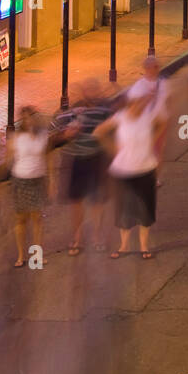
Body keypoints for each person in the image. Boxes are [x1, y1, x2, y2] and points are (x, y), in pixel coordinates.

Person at [95, 90, 167, 259]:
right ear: (130, 104)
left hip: (146, 168)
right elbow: (99, 132)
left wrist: (153, 139)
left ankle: (144, 246)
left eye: (142, 103)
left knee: (145, 209)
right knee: (124, 210)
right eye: (137, 102)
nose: (140, 106)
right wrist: (113, 149)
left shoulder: (149, 116)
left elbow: (163, 122)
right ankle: (124, 246)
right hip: (123, 171)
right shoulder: (120, 118)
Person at [55, 79, 113, 255]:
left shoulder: (103, 111)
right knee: (76, 201)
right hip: (76, 160)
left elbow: (115, 129)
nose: (90, 93)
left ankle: (97, 236)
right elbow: (53, 138)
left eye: (93, 89)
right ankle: (77, 237)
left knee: (97, 200)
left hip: (96, 158)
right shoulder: (65, 115)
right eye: (87, 90)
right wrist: (66, 135)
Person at [6, 106, 52, 268]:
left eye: (31, 117)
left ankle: (37, 256)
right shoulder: (16, 138)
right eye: (25, 118)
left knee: (37, 219)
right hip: (21, 180)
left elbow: (48, 159)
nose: (29, 121)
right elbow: (8, 159)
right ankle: (21, 255)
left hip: (38, 179)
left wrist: (51, 181)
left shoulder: (43, 136)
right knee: (21, 219)